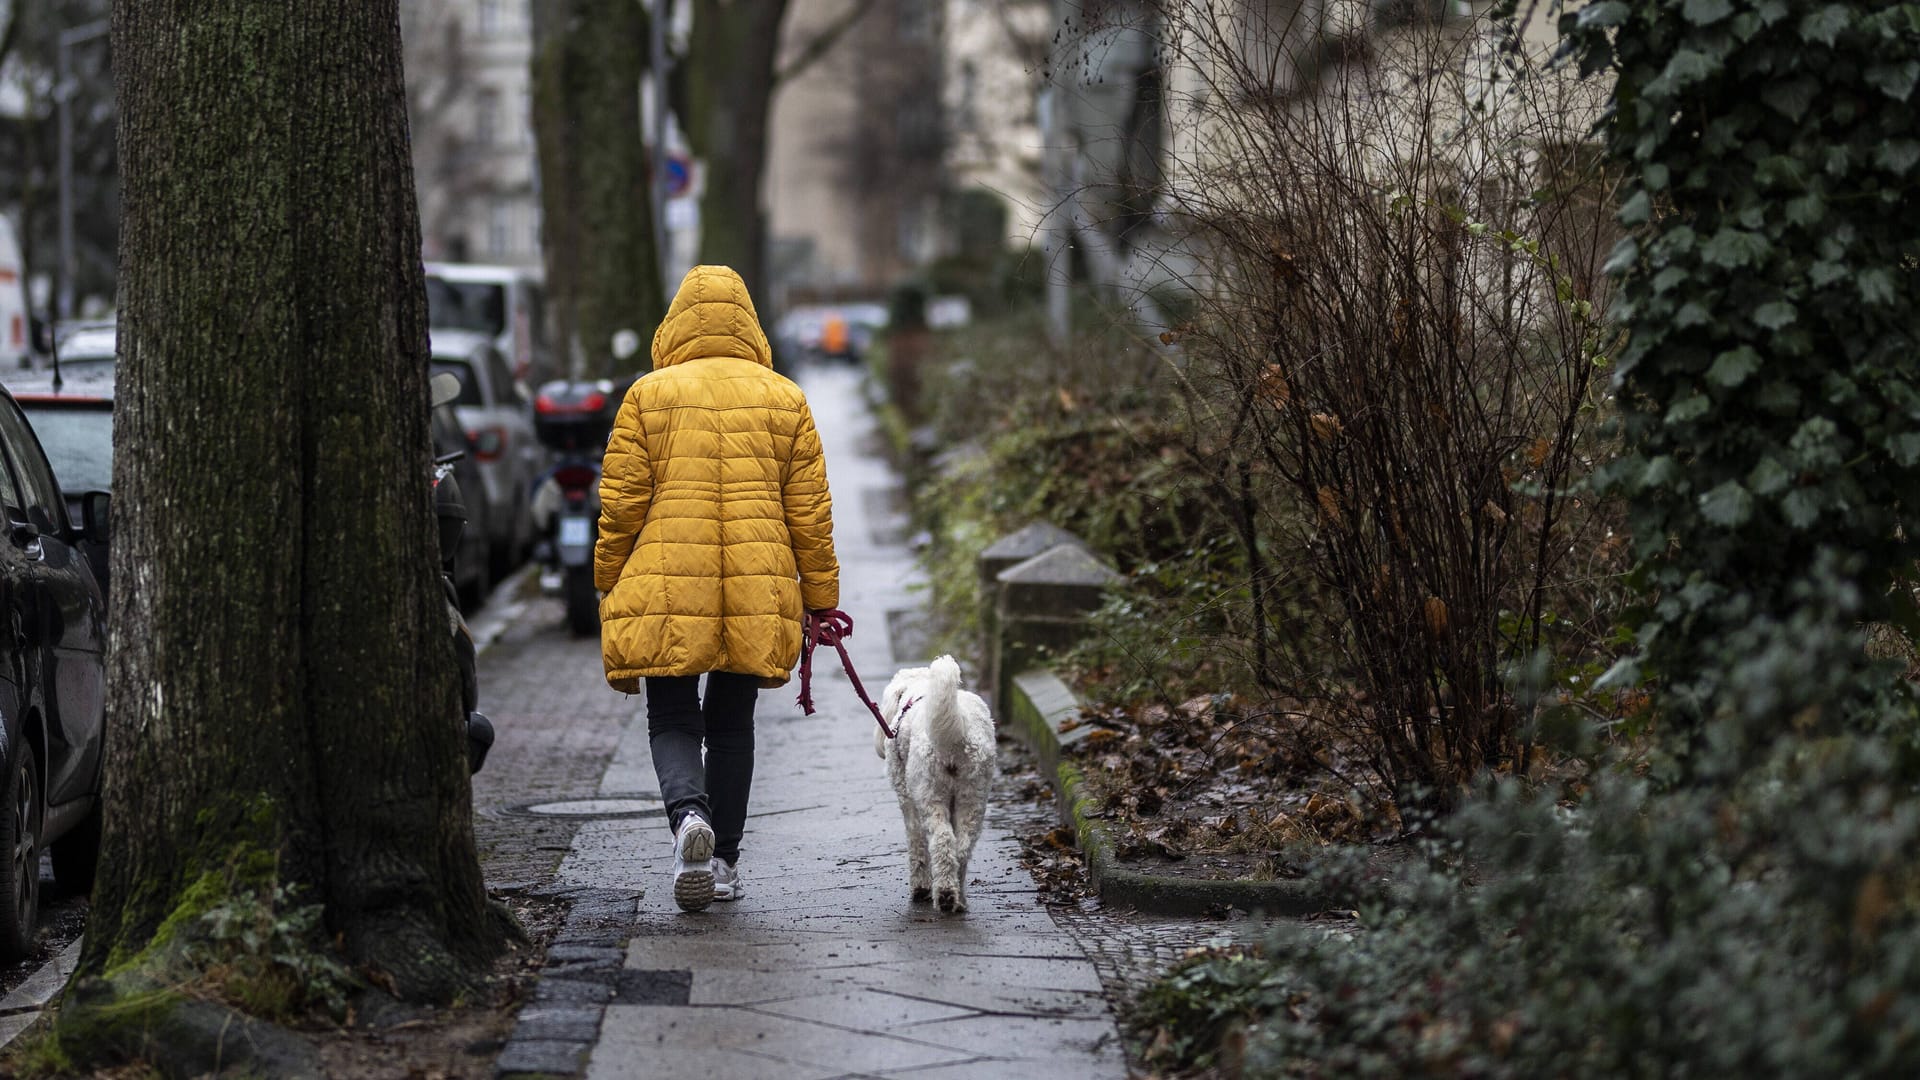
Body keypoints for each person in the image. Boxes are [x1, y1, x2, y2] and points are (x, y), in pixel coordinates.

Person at [594, 265, 839, 912]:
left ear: (675, 324)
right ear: (749, 324)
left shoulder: (648, 396)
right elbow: (809, 512)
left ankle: (688, 820)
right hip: (759, 588)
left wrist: (607, 576)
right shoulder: (784, 398)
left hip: (667, 582)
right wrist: (821, 597)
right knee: (733, 722)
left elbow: (621, 505)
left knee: (671, 714)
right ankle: (723, 860)